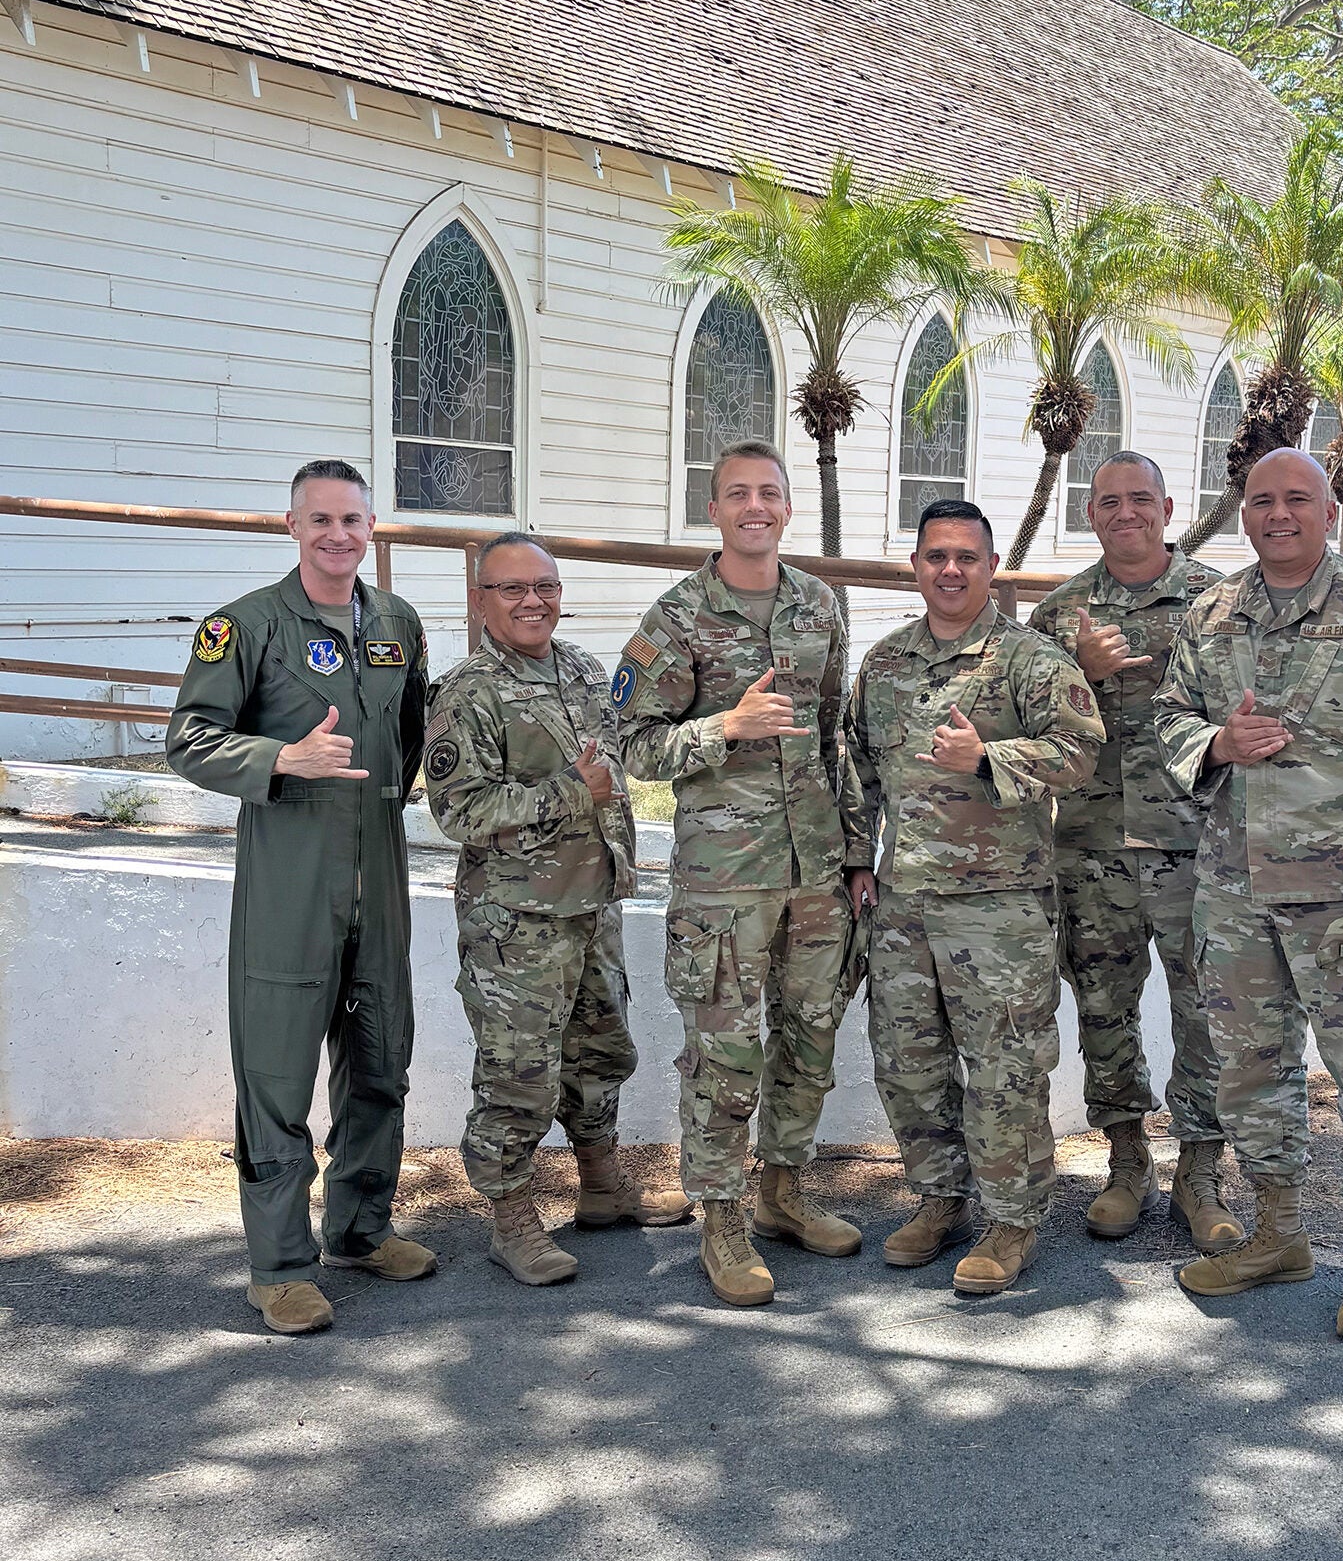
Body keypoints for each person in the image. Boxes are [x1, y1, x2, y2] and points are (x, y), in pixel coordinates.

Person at [1153, 448, 1343, 1340]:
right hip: (1235, 893)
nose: (1277, 514)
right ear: (1241, 513)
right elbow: (1169, 720)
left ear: (1329, 511)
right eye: (1260, 501)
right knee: (1251, 1073)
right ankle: (1279, 1231)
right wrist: (1216, 745)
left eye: (1296, 499)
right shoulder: (1210, 613)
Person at [165, 460, 436, 1335]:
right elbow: (190, 740)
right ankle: (279, 1266)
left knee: (380, 1055)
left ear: (371, 530)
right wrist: (280, 758)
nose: (337, 535)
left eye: (353, 520)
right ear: (291, 527)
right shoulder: (243, 626)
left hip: (381, 878)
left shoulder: (398, 623)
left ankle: (360, 1230)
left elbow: (408, 736)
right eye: (319, 520)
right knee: (276, 1076)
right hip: (290, 881)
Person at [614, 442, 862, 1306]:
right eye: (736, 494)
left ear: (787, 508)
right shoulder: (676, 617)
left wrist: (856, 854)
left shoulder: (821, 605)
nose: (754, 506)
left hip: (816, 872)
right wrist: (725, 725)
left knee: (809, 1038)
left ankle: (784, 1192)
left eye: (769, 493)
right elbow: (635, 745)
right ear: (712, 510)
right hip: (725, 880)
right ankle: (720, 1219)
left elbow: (840, 742)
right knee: (723, 1054)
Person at [842, 500, 1104, 1298]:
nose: (949, 570)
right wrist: (858, 858)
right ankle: (939, 1198)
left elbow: (1081, 751)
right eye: (935, 556)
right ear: (914, 566)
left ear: (991, 567)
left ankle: (1013, 1217)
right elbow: (854, 764)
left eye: (966, 556)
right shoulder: (884, 664)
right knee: (909, 1063)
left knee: (1004, 1069)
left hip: (999, 909)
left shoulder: (1030, 660)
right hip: (904, 905)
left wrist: (987, 755)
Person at [424, 535, 690, 1287]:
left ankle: (602, 1186)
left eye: (544, 585)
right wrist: (571, 792)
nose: (532, 600)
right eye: (512, 589)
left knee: (599, 1052)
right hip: (516, 923)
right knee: (517, 1076)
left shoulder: (578, 668)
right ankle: (511, 1221)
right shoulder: (467, 692)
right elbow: (458, 809)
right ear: (481, 602)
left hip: (592, 904)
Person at [1029, 449, 1241, 1254]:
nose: (1126, 514)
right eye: (1109, 502)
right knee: (1105, 1012)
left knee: (1206, 1012)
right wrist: (1076, 674)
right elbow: (1026, 725)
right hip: (1090, 852)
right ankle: (1125, 1161)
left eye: (1140, 499)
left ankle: (1200, 1170)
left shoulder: (1220, 602)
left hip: (1195, 847)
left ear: (1168, 506)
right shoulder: (1059, 615)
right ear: (1091, 514)